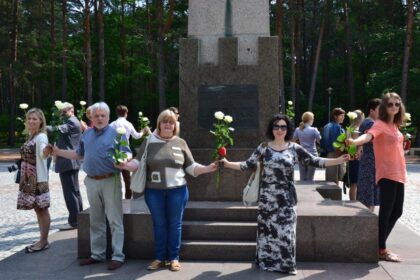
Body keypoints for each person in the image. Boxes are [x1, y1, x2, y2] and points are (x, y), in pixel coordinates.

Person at [221, 114, 349, 274]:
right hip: (267, 199)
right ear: (271, 129)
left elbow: (315, 160)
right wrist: (227, 164)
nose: (279, 130)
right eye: (276, 126)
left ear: (288, 130)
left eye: (283, 127)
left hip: (287, 199)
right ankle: (267, 263)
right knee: (267, 233)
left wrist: (338, 160)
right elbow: (247, 165)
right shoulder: (263, 148)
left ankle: (286, 265)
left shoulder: (294, 148)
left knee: (286, 232)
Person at [116, 109, 217, 272]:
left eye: (171, 122)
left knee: (175, 225)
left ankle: (174, 258)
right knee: (159, 224)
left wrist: (207, 168)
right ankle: (159, 257)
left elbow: (191, 167)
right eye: (165, 121)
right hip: (154, 192)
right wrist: (125, 166)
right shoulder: (149, 141)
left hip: (178, 191)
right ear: (159, 124)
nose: (168, 125)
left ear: (175, 125)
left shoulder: (180, 142)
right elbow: (137, 162)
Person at [52, 102, 130, 271]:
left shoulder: (117, 133)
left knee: (115, 220)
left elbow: (127, 152)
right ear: (91, 118)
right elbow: (78, 154)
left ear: (108, 117)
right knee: (96, 220)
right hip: (91, 181)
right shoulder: (86, 134)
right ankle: (98, 254)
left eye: (103, 115)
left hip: (111, 180)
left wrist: (124, 160)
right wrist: (58, 152)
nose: (100, 118)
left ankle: (118, 256)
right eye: (96, 116)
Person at [347, 92, 407, 262]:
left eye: (397, 104)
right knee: (387, 211)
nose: (394, 107)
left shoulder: (395, 125)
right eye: (390, 104)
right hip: (387, 173)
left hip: (399, 173)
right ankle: (381, 248)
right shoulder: (379, 124)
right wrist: (355, 141)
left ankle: (378, 244)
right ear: (384, 107)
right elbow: (369, 135)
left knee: (397, 211)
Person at [17, 108, 51, 253]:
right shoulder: (31, 136)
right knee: (38, 209)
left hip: (37, 179)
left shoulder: (41, 137)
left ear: (41, 121)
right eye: (29, 118)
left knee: (42, 209)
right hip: (29, 179)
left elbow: (43, 154)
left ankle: (43, 241)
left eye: (35, 119)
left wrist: (46, 152)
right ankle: (42, 239)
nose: (31, 121)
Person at [50, 102, 83, 230]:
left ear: (72, 111)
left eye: (64, 112)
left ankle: (74, 221)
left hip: (67, 161)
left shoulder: (72, 122)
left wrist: (40, 127)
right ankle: (79, 218)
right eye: (61, 112)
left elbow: (57, 128)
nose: (61, 114)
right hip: (70, 161)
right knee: (75, 191)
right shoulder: (73, 121)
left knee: (70, 192)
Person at [110, 105, 150, 199]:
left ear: (116, 113)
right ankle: (128, 198)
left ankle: (115, 198)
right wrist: (143, 131)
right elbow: (136, 136)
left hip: (115, 152)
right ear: (126, 113)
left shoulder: (112, 124)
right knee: (127, 178)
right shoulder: (128, 124)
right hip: (126, 153)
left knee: (114, 178)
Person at [357, 98, 381, 211]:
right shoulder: (370, 123)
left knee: (369, 191)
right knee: (369, 192)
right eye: (379, 110)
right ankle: (368, 219)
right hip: (370, 160)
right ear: (371, 110)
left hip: (369, 159)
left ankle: (368, 217)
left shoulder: (367, 122)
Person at [292, 111, 321, 181]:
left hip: (301, 154)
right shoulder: (314, 130)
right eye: (313, 118)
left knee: (302, 177)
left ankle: (302, 191)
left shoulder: (298, 129)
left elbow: (292, 141)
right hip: (312, 154)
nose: (313, 120)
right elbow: (319, 141)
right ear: (310, 119)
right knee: (310, 178)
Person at [322, 107, 346, 185]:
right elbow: (337, 143)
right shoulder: (336, 127)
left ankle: (330, 196)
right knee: (335, 180)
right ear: (335, 116)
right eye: (341, 115)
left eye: (343, 115)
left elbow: (323, 142)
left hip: (329, 154)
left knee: (331, 179)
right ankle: (335, 197)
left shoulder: (326, 126)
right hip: (336, 153)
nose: (343, 117)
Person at [347, 109, 365, 201]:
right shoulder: (356, 129)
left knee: (354, 182)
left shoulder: (350, 128)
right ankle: (354, 201)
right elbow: (358, 144)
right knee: (355, 182)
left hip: (351, 155)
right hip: (357, 156)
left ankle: (353, 200)